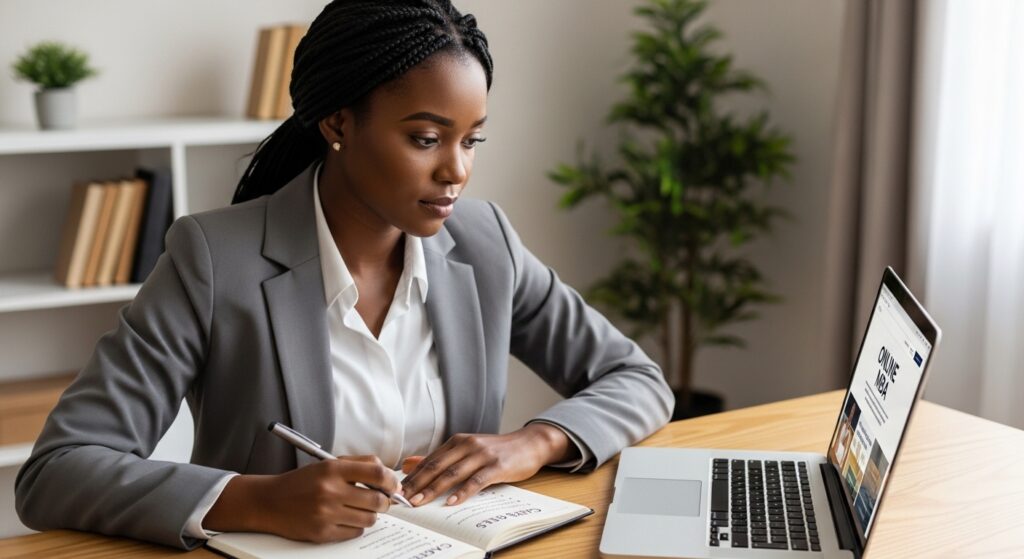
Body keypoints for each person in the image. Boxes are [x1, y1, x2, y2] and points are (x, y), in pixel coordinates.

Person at [15, 0, 673, 550]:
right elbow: (55, 470)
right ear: (338, 123)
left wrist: (535, 441)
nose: (457, 171)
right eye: (425, 138)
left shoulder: (485, 244)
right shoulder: (214, 259)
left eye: (471, 139)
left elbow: (637, 378)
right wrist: (255, 499)